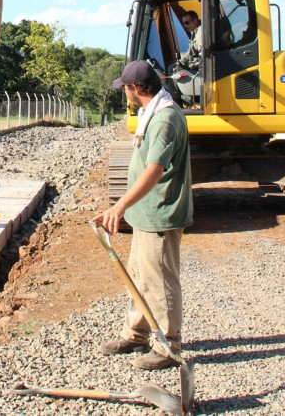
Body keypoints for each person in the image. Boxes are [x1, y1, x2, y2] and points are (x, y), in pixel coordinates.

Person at [94, 60, 193, 370]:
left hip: (160, 212)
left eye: (125, 87)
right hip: (145, 213)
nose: (125, 92)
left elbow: (154, 171)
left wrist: (119, 206)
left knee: (160, 281)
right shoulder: (153, 111)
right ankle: (137, 334)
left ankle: (168, 346)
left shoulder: (164, 119)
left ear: (135, 88)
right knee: (139, 277)